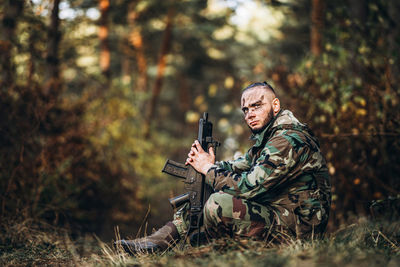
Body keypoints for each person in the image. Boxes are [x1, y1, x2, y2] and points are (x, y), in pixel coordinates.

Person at [116, 81, 331, 253]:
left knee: (218, 202)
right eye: (245, 110)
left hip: (299, 232)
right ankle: (160, 242)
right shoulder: (268, 139)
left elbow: (249, 187)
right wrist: (208, 163)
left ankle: (197, 242)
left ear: (275, 105)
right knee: (211, 187)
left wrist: (209, 170)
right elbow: (239, 165)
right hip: (280, 215)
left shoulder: (287, 139)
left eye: (257, 106)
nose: (250, 114)